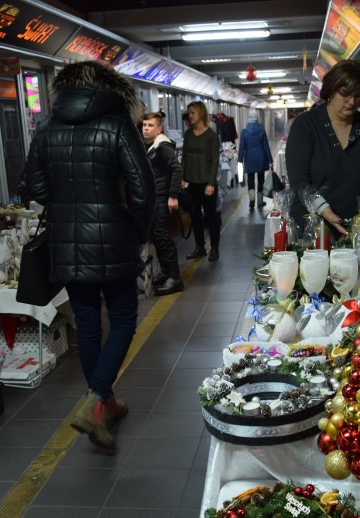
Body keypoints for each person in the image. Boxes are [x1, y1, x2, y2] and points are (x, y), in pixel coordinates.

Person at [22, 61, 155, 451]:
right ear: (106, 88)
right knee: (125, 318)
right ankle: (98, 398)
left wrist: (67, 204)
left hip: (65, 239)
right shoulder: (117, 123)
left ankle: (105, 403)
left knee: (87, 321)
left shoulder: (46, 127)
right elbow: (143, 188)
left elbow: (35, 186)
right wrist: (137, 234)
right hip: (113, 236)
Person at [285, 59, 360, 238]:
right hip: (311, 227)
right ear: (331, 90)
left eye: (358, 96)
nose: (352, 102)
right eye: (345, 94)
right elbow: (299, 181)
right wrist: (325, 211)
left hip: (357, 229)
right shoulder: (305, 126)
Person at [142, 111, 184, 295]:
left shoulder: (162, 146)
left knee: (163, 238)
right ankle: (166, 272)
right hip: (153, 198)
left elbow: (176, 169)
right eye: (144, 125)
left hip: (161, 197)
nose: (146, 128)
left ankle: (174, 278)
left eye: (150, 125)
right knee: (158, 237)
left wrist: (172, 195)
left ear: (159, 129)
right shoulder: (149, 146)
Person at [181, 101, 221, 261]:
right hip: (191, 183)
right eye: (189, 113)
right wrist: (182, 178)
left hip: (206, 183)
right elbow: (184, 158)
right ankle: (199, 247)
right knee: (195, 216)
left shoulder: (212, 136)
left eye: (192, 113)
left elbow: (214, 162)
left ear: (200, 114)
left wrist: (211, 183)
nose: (189, 116)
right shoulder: (188, 135)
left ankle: (215, 249)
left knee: (211, 217)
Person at [238, 108, 273, 211]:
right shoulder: (261, 130)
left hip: (249, 157)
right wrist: (270, 160)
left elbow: (241, 147)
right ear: (257, 118)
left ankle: (252, 196)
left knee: (250, 178)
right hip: (261, 157)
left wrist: (240, 160)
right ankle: (260, 200)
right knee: (261, 178)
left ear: (248, 118)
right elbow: (266, 146)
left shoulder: (245, 132)